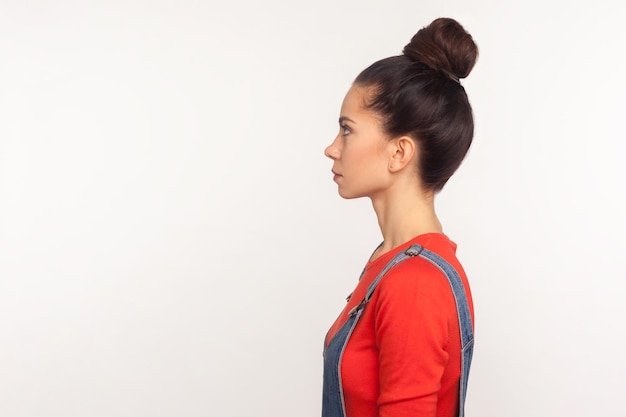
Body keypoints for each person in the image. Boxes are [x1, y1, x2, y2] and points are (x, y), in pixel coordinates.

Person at [322, 17, 478, 417]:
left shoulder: (414, 284)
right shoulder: (390, 261)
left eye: (347, 130)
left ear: (399, 153)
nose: (331, 148)